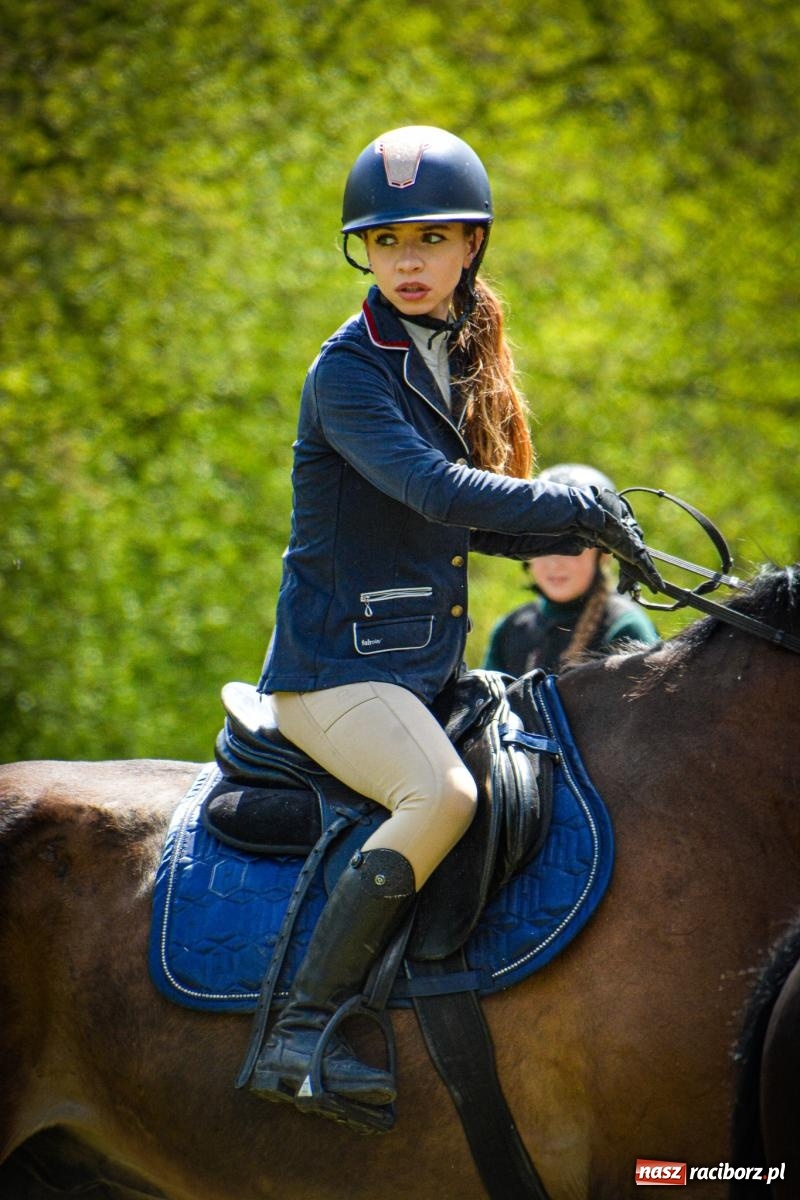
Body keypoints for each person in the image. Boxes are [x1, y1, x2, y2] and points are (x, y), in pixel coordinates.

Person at [249, 125, 661, 1121]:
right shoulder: (345, 372)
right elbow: (434, 492)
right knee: (439, 799)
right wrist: (567, 507)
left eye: (428, 239)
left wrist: (596, 535)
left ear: (471, 242)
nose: (407, 262)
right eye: (385, 243)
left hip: (418, 669)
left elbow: (464, 528)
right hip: (331, 672)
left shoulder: (455, 355)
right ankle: (303, 1031)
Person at [484, 464, 660, 677]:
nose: (555, 564)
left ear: (602, 555)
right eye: (542, 547)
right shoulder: (510, 628)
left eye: (570, 549)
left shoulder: (626, 627)